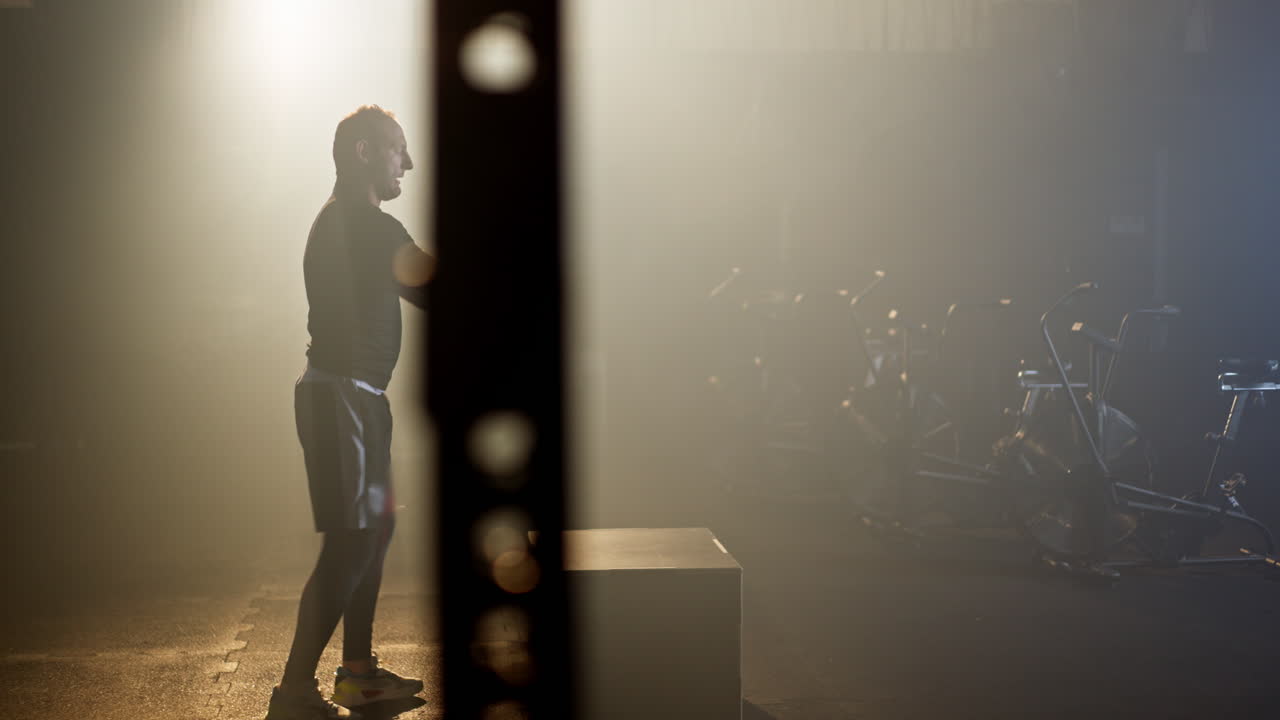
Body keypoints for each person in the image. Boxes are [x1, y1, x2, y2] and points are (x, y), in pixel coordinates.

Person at [265, 105, 435, 720]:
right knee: (353, 541)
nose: (407, 163)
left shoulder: (348, 222)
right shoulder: (366, 226)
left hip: (358, 398)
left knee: (373, 531)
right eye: (396, 148)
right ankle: (293, 693)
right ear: (364, 152)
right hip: (341, 398)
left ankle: (358, 675)